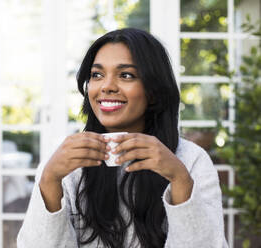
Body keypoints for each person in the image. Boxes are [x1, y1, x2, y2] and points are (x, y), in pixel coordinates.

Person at [17, 28, 228, 248]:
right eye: (97, 75)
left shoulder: (191, 160)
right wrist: (50, 181)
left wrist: (180, 179)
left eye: (126, 75)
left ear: (153, 91)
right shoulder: (64, 164)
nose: (106, 86)